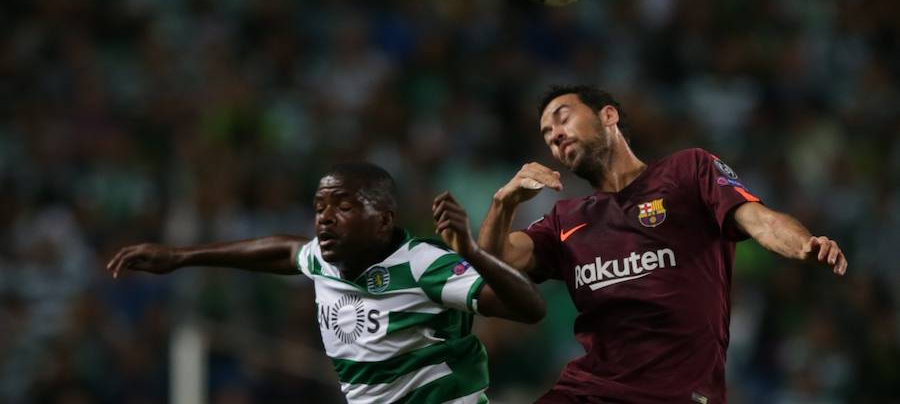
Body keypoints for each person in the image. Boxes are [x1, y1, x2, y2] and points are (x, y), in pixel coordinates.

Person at [478, 85, 848, 404]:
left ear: (608, 115)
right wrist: (503, 203)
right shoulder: (565, 219)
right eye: (547, 134)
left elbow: (761, 221)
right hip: (590, 392)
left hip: (677, 394)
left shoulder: (688, 172)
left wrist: (804, 244)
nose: (555, 135)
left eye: (563, 118)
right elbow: (492, 262)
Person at [108, 162, 545, 404]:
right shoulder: (326, 259)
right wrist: (180, 257)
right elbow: (284, 251)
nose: (325, 218)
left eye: (343, 206)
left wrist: (471, 252)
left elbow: (529, 309)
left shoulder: (421, 265)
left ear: (384, 221)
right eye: (320, 207)